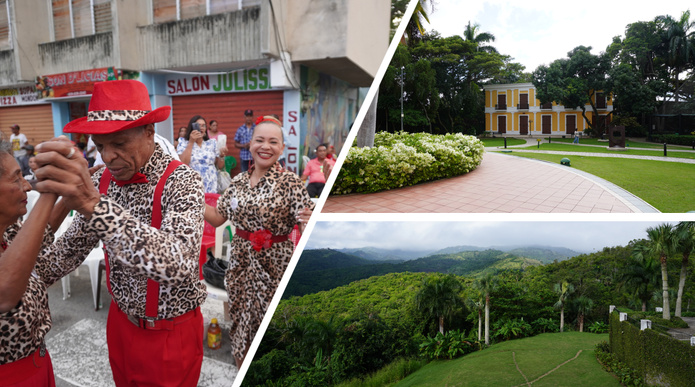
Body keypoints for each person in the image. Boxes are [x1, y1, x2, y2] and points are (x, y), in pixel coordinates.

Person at [34, 80, 207, 386]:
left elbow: (177, 264)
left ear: (149, 133)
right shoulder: (103, 181)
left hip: (168, 333)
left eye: (120, 144)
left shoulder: (182, 181)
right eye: (100, 146)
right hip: (120, 323)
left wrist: (93, 205)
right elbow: (67, 252)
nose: (108, 156)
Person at [205, 115, 314, 368]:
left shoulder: (291, 183)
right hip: (240, 265)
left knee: (271, 328)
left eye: (273, 142)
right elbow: (218, 218)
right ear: (250, 144)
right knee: (241, 321)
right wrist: (194, 199)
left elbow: (306, 226)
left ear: (282, 148)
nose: (266, 146)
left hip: (274, 267)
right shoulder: (238, 182)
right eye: (260, 140)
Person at [0, 139, 71, 386]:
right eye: (16, 179)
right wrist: (50, 192)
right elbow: (4, 293)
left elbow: (37, 236)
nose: (27, 186)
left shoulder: (7, 231)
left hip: (36, 365)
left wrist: (70, 196)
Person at [177, 115, 224, 193]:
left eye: (203, 126)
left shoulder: (212, 143)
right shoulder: (183, 142)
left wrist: (222, 156)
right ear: (192, 128)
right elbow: (182, 163)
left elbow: (220, 167)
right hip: (192, 184)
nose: (201, 128)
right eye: (198, 126)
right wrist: (191, 142)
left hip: (211, 183)